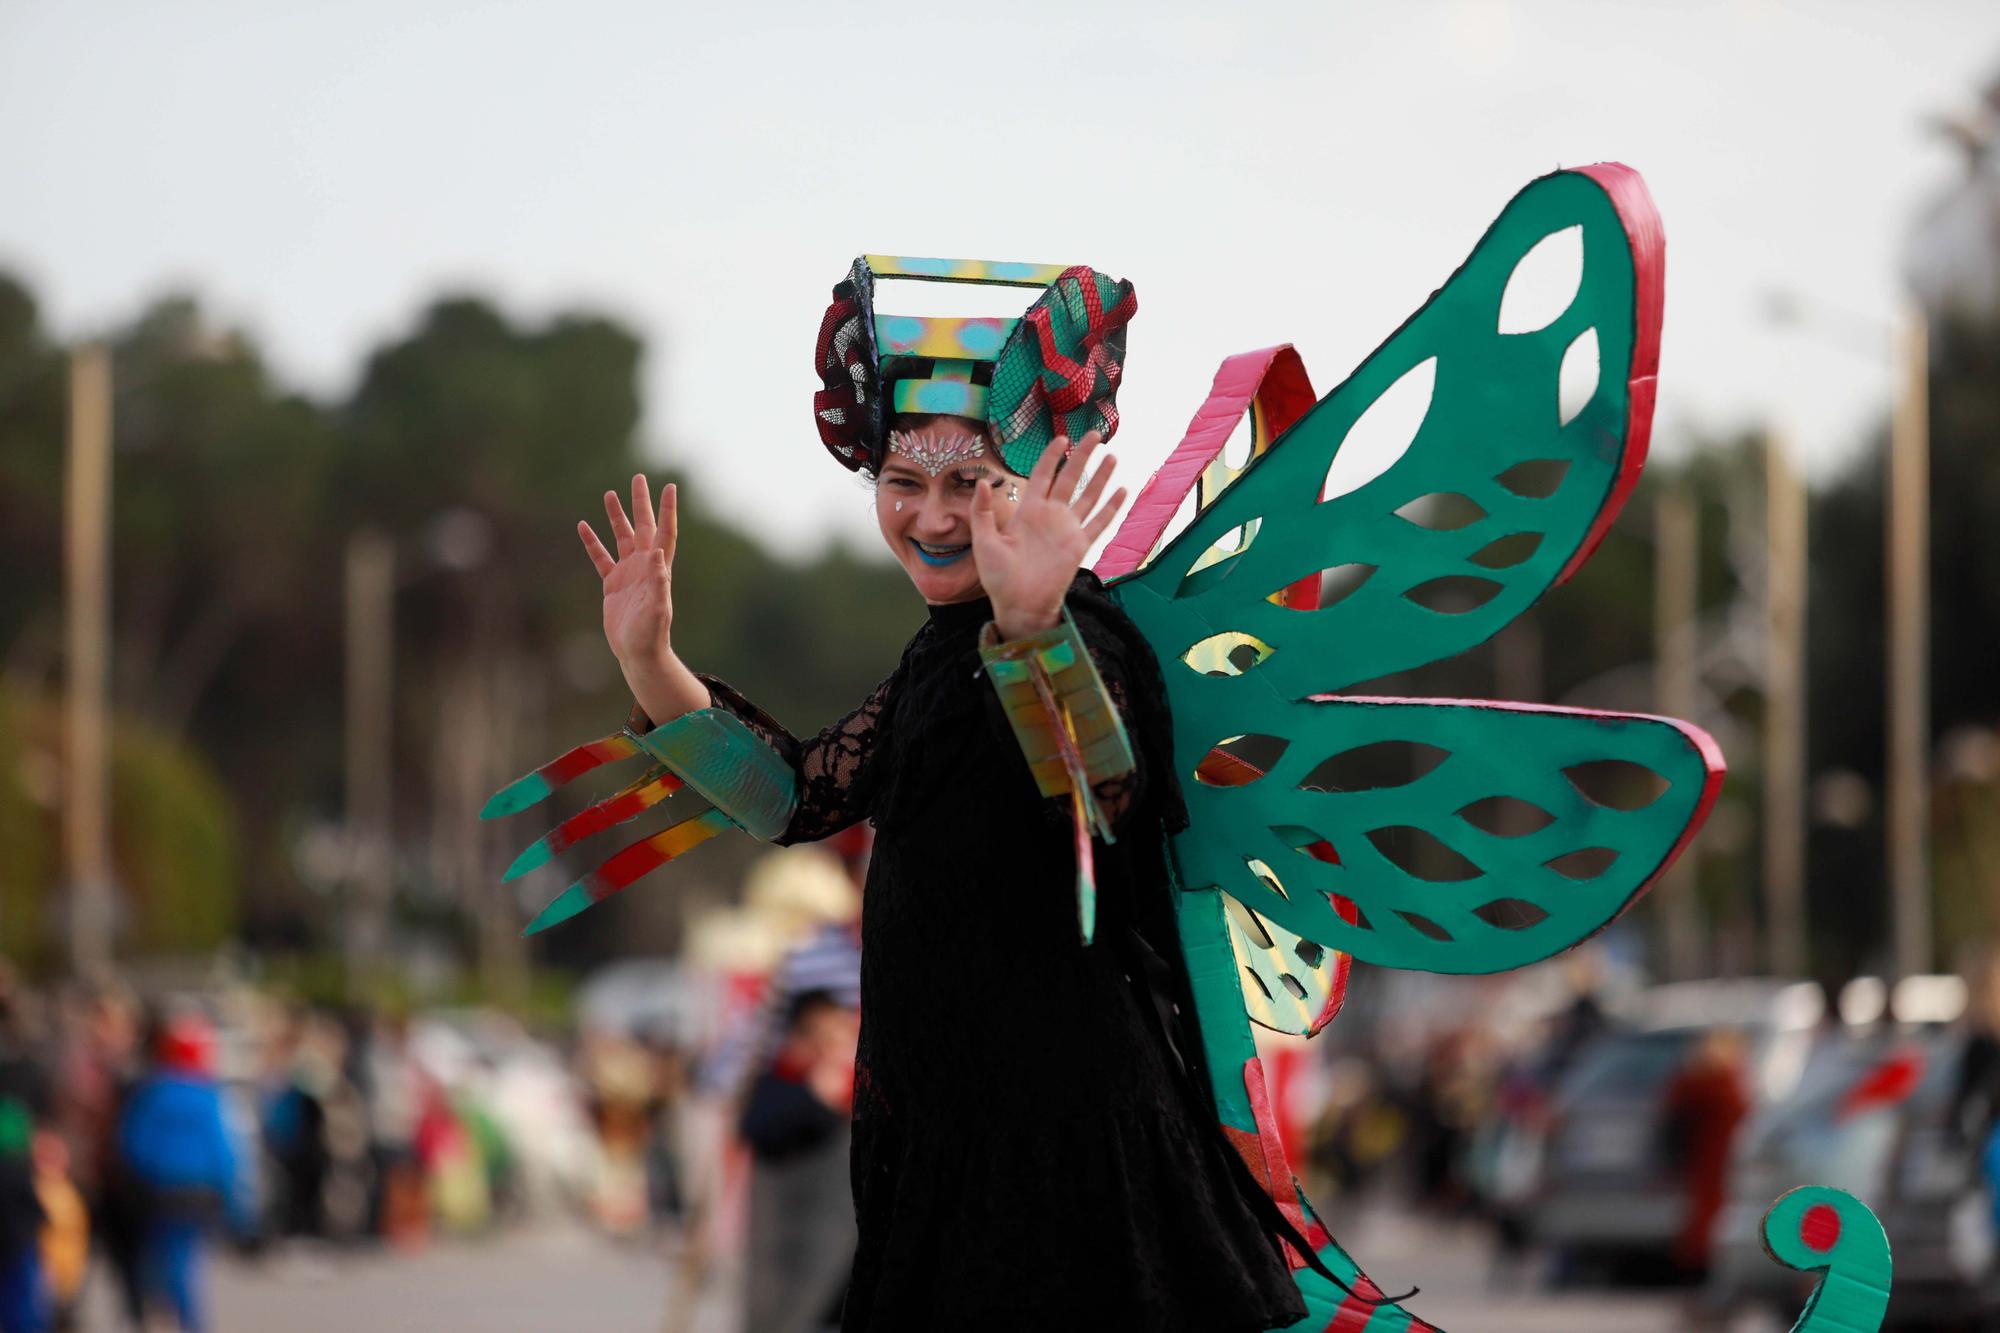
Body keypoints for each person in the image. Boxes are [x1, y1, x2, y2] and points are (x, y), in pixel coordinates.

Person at [572, 258, 1308, 1331]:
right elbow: (793, 798)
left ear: (1028, 484)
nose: (930, 515)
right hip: (938, 1143)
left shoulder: (1094, 631)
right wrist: (651, 665)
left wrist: (1034, 627)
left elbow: (1099, 792)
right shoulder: (931, 657)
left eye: (967, 484)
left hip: (1068, 1147)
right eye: (902, 482)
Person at [117, 1014, 246, 1333]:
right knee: (185, 1260)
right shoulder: (208, 1095)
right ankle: (187, 1321)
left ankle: (180, 1319)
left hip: (162, 1190)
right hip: (200, 1192)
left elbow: (134, 1144)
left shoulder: (154, 1093)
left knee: (169, 1261)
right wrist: (230, 1195)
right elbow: (224, 1151)